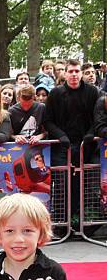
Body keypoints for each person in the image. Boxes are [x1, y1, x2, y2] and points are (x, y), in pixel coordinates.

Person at [44, 58, 99, 222]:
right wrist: (61, 136)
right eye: (70, 71)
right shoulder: (55, 93)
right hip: (62, 147)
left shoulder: (92, 92)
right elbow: (47, 121)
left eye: (77, 71)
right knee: (62, 185)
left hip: (86, 146)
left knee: (86, 186)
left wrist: (90, 134)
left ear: (81, 73)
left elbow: (99, 119)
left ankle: (84, 221)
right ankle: (62, 222)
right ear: (65, 73)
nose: (74, 75)